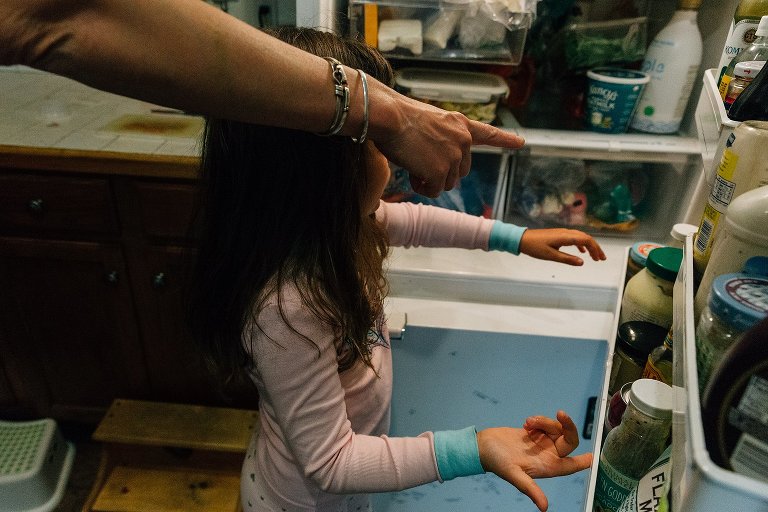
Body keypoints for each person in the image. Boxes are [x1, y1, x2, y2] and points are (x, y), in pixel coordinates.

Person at [187, 26, 606, 512]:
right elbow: (333, 462)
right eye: (378, 137)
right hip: (298, 502)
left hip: (341, 492)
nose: (395, 149)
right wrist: (475, 448)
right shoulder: (287, 306)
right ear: (319, 175)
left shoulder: (337, 227)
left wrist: (514, 238)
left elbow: (412, 219)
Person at [1, 0, 525, 198]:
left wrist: (512, 239)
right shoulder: (293, 312)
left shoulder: (334, 241)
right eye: (371, 144)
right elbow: (63, 15)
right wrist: (465, 448)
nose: (389, 159)